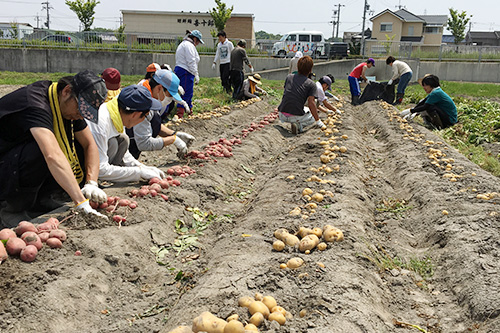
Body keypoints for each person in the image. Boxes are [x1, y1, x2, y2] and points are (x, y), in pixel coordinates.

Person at [0, 70, 108, 226]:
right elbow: (52, 155)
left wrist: (92, 182)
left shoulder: (68, 107)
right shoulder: (35, 104)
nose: (80, 116)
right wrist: (81, 201)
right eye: (80, 110)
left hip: (16, 155)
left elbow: (89, 144)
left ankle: (41, 200)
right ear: (66, 91)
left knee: (74, 144)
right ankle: (11, 209)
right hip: (5, 160)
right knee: (43, 149)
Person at [86, 84, 167, 182]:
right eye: (145, 116)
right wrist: (138, 173)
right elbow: (100, 168)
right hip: (84, 164)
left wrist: (141, 167)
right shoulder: (101, 124)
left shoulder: (118, 113)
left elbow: (126, 155)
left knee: (122, 139)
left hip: (99, 158)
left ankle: (112, 175)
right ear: (135, 114)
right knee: (113, 143)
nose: (142, 121)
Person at [126, 69, 195, 159]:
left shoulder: (150, 100)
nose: (169, 100)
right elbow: (143, 143)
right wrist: (172, 140)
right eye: (169, 95)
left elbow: (152, 124)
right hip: (118, 148)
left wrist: (174, 134)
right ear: (159, 88)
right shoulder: (141, 103)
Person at [278, 55, 326, 134]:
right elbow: (311, 103)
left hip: (281, 114)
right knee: (312, 117)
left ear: (297, 67)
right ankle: (299, 126)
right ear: (310, 70)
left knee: (304, 108)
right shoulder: (311, 84)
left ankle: (295, 122)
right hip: (295, 117)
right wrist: (318, 121)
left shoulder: (289, 77)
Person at [174, 30, 203, 118]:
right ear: (194, 38)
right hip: (186, 71)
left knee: (188, 92)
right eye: (197, 41)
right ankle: (180, 113)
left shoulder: (184, 44)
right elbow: (191, 61)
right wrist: (196, 73)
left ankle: (189, 110)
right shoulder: (188, 45)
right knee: (186, 92)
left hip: (181, 70)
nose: (197, 43)